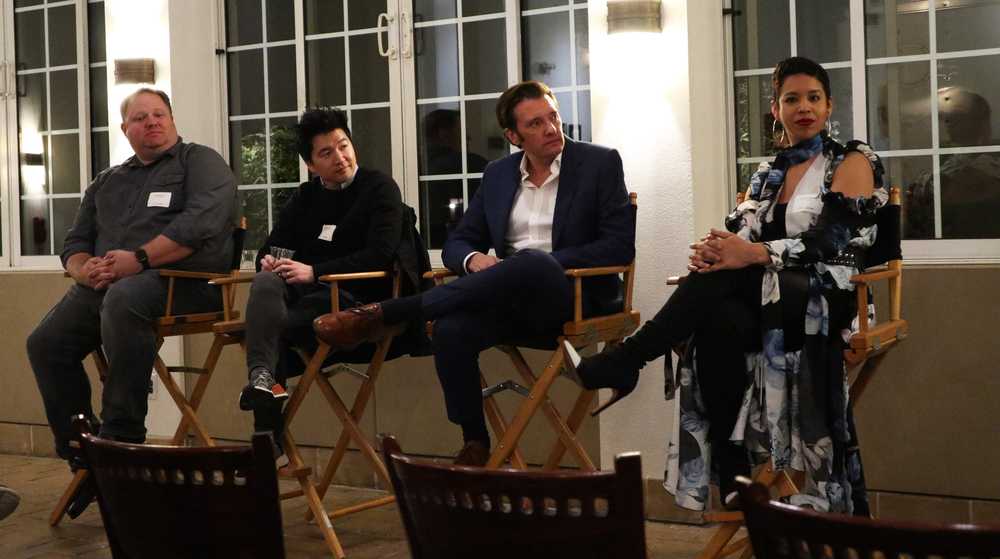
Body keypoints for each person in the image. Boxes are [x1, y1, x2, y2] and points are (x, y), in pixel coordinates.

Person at [565, 57, 886, 514]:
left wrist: (750, 254)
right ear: (776, 109)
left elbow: (831, 240)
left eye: (813, 97)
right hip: (764, 295)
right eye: (791, 99)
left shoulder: (851, 159)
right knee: (717, 317)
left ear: (829, 104)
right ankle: (734, 473)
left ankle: (628, 360)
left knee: (724, 282)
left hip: (830, 292)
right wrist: (714, 250)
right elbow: (738, 229)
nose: (804, 108)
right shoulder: (769, 172)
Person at [314, 80, 635, 466]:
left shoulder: (599, 164)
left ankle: (386, 313)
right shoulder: (499, 175)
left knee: (531, 261)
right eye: (535, 124)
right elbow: (457, 243)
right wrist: (473, 261)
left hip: (575, 298)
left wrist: (535, 264)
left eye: (553, 117)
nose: (551, 128)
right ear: (513, 136)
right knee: (450, 331)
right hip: (509, 301)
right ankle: (475, 443)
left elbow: (618, 247)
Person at [26, 87, 237, 517]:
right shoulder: (107, 181)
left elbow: (200, 226)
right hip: (108, 286)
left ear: (173, 121)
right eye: (140, 118)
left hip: (185, 282)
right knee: (44, 342)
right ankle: (83, 454)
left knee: (123, 299)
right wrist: (85, 269)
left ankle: (122, 442)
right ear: (125, 130)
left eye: (160, 114)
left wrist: (137, 259)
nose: (152, 122)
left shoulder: (201, 162)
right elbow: (75, 245)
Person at [238, 107, 428, 457]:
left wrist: (314, 272)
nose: (340, 158)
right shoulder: (306, 196)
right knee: (266, 284)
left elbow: (380, 255)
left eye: (344, 146)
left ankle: (264, 440)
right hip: (302, 295)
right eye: (326, 153)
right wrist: (270, 260)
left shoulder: (378, 188)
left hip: (356, 302)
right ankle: (263, 381)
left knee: (271, 327)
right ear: (311, 164)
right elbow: (274, 245)